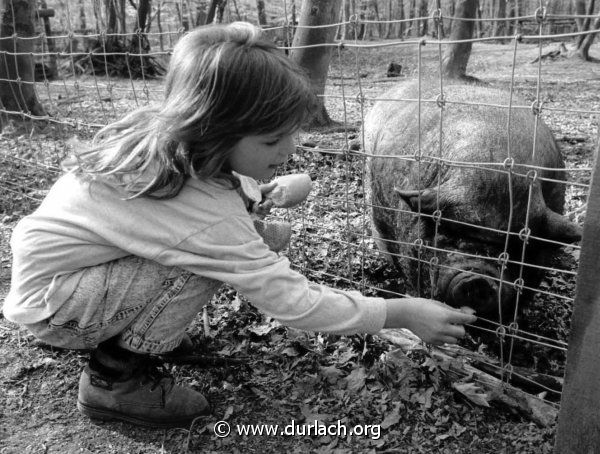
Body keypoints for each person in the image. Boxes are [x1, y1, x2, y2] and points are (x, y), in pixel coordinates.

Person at [3, 22, 476, 429]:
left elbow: (209, 203)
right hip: (57, 309)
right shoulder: (203, 212)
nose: (288, 149)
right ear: (213, 129)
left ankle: (137, 327)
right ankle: (114, 379)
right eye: (273, 139)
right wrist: (398, 313)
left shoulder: (165, 141)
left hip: (58, 282)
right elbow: (292, 300)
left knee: (246, 240)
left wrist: (273, 188)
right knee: (211, 261)